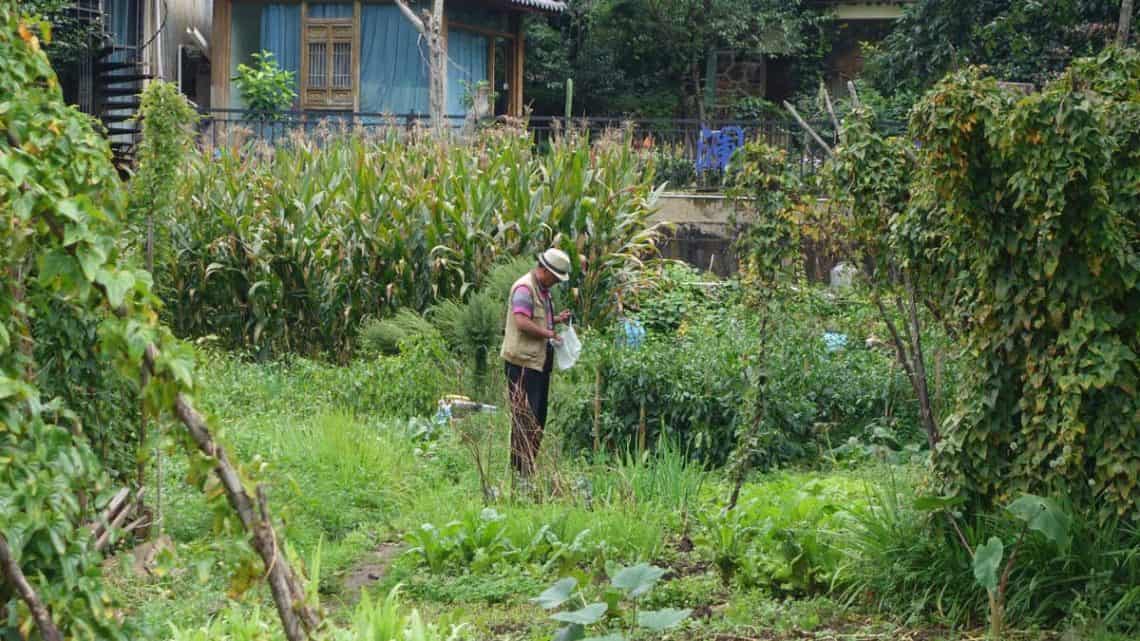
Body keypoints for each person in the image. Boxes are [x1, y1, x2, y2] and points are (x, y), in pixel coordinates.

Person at [501, 248, 573, 478]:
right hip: (522, 364)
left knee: (537, 419)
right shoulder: (525, 288)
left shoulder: (542, 290)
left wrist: (557, 319)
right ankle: (519, 472)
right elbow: (522, 321)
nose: (555, 282)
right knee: (524, 419)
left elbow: (536, 317)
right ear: (544, 270)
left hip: (538, 365)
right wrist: (548, 333)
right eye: (554, 277)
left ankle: (528, 469)